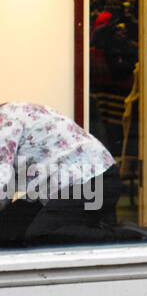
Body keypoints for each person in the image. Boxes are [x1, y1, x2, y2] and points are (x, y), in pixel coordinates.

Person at [0, 102, 125, 246]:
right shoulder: (10, 112)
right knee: (6, 232)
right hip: (65, 185)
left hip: (94, 179)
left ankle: (130, 237)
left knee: (42, 233)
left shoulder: (4, 121)